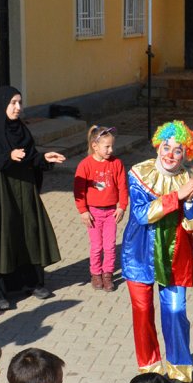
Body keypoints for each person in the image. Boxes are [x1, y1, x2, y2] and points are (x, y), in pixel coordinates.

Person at [121, 121, 193, 383]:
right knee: (143, 312)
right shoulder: (138, 173)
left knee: (176, 312)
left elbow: (192, 225)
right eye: (166, 147)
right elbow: (142, 214)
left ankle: (179, 371)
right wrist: (177, 196)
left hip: (175, 257)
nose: (170, 154)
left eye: (178, 150)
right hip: (139, 254)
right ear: (158, 146)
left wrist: (189, 202)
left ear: (186, 154)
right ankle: (150, 369)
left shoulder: (189, 180)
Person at [0, 86, 65, 311]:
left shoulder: (21, 129)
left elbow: (30, 156)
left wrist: (44, 158)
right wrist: (8, 156)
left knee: (28, 233)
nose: (18, 108)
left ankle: (31, 283)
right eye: (13, 103)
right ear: (2, 105)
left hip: (23, 189)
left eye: (20, 103)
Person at [73, 124, 128, 291]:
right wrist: (83, 211)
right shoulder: (85, 165)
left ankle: (107, 275)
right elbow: (79, 190)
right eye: (107, 147)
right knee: (96, 246)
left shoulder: (117, 163)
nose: (111, 150)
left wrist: (122, 207)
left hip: (111, 212)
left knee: (110, 246)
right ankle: (96, 274)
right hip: (93, 213)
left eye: (112, 146)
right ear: (95, 146)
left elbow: (123, 187)